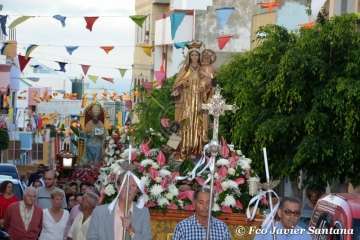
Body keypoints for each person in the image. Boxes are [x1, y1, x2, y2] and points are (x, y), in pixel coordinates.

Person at [171, 41, 212, 159]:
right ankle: (182, 149)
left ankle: (197, 150)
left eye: (196, 55)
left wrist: (203, 85)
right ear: (189, 56)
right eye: (192, 55)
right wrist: (183, 83)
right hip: (186, 103)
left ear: (199, 57)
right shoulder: (184, 70)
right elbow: (175, 86)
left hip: (199, 102)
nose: (194, 57)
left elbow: (209, 83)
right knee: (183, 124)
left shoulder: (202, 70)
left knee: (198, 124)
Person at [87, 172, 152, 240]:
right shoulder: (99, 212)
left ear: (137, 191)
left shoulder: (143, 212)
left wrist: (130, 230)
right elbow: (91, 237)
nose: (128, 188)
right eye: (124, 184)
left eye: (133, 185)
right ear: (118, 187)